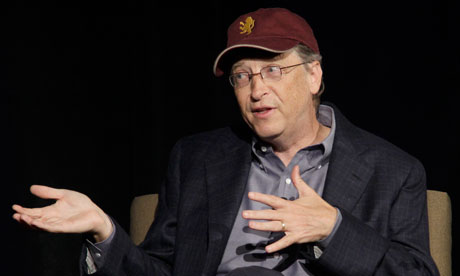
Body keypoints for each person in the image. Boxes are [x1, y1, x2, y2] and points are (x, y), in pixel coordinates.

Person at [12, 7, 439, 276]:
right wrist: (104, 231)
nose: (256, 91)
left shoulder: (392, 169)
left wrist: (333, 229)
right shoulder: (197, 159)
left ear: (314, 76)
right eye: (241, 77)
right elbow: (160, 268)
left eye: (272, 70)